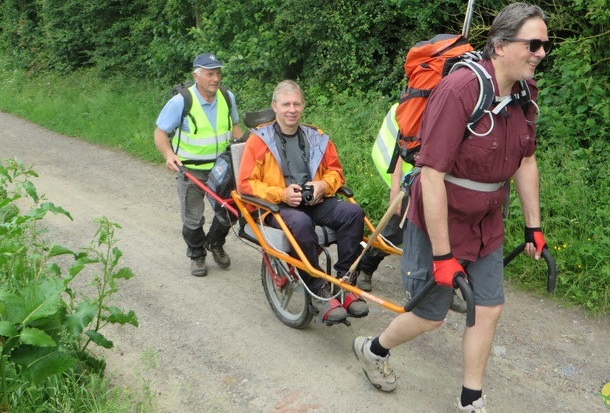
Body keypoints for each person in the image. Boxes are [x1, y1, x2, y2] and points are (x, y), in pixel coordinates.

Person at [352, 3, 550, 412]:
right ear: (500, 46)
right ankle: (374, 348)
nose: (541, 53)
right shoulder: (459, 90)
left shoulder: (526, 94)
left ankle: (470, 398)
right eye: (533, 44)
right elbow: (432, 175)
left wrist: (534, 226)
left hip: (486, 222)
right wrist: (442, 255)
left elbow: (526, 160)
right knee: (430, 315)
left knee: (489, 307)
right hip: (439, 220)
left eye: (545, 45)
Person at [237, 79, 369, 324]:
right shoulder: (259, 141)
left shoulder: (316, 136)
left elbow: (336, 173)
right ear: (274, 106)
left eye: (296, 103)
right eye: (286, 104)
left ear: (303, 106)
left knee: (353, 213)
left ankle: (346, 283)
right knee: (300, 223)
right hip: (278, 208)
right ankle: (318, 287)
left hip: (314, 202)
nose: (292, 109)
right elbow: (246, 183)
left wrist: (322, 186)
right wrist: (282, 194)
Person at [361, 104, 467, 314]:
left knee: (442, 235)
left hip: (438, 182)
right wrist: (395, 190)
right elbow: (401, 151)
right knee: (393, 232)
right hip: (411, 182)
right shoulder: (421, 105)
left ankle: (445, 290)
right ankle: (365, 267)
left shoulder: (459, 104)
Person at [154, 53, 244, 277]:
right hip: (191, 170)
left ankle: (214, 243)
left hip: (222, 167)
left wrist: (241, 149)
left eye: (218, 73)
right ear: (196, 75)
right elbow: (160, 133)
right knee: (193, 216)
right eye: (209, 74)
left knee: (230, 209)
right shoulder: (181, 101)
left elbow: (235, 127)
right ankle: (197, 255)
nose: (215, 78)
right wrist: (168, 155)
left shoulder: (227, 96)